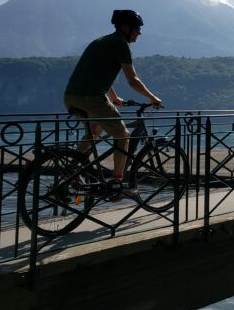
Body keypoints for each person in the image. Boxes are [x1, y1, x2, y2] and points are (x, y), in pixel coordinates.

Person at [64, 10, 161, 192]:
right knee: (123, 135)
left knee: (95, 130)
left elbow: (96, 74)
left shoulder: (100, 41)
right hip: (91, 98)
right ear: (125, 27)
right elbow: (133, 80)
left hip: (71, 96)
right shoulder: (121, 45)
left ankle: (72, 168)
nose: (139, 32)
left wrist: (114, 97)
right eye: (137, 28)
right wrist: (152, 98)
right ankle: (117, 183)